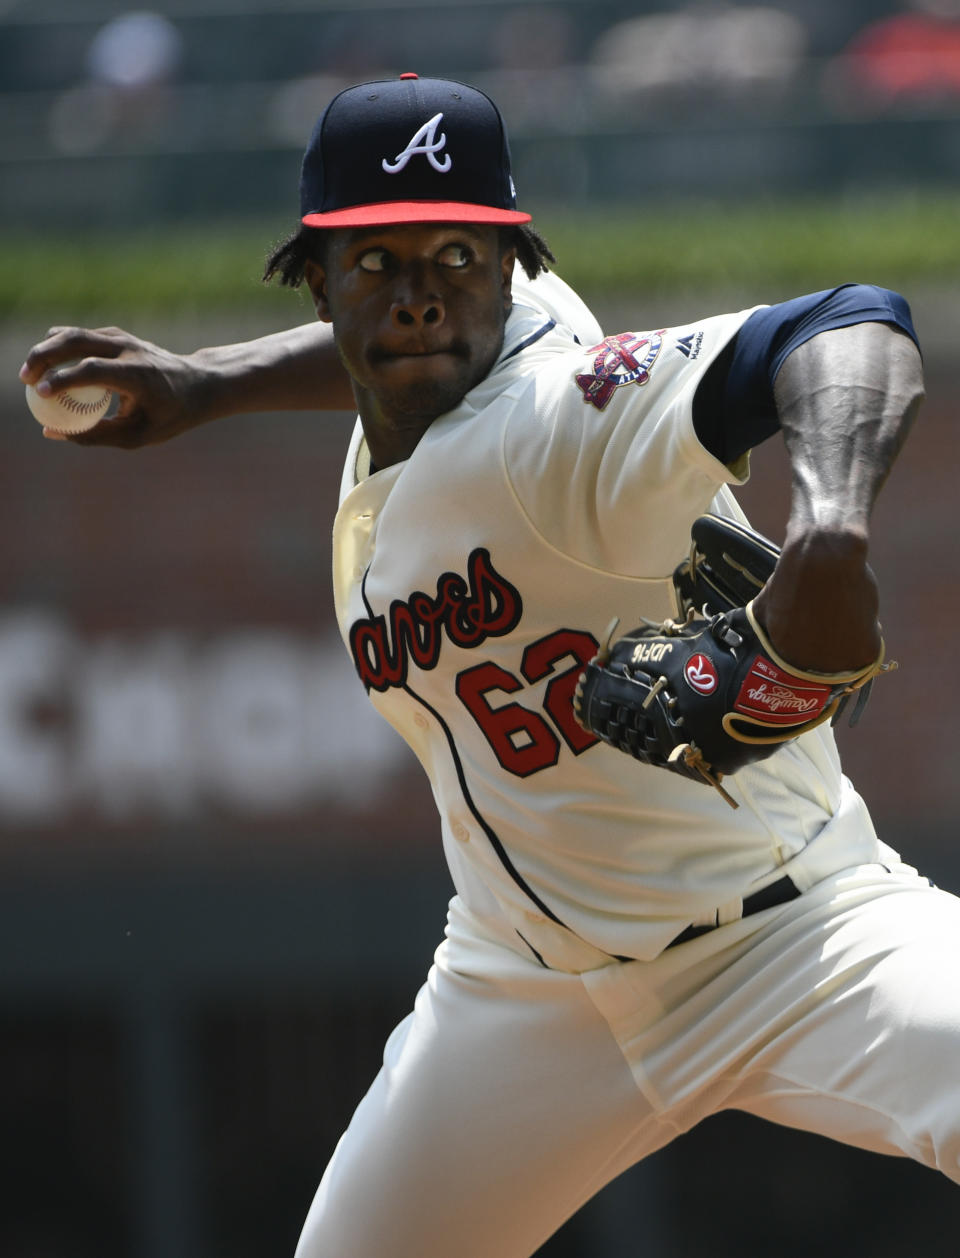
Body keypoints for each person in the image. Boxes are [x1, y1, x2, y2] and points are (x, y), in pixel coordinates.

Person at [21, 73, 958, 1258]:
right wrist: (217, 383)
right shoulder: (455, 352)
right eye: (376, 262)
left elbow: (848, 324)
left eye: (458, 257)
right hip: (521, 988)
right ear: (313, 272)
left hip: (798, 939)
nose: (420, 299)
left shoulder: (556, 419)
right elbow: (386, 356)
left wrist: (829, 530)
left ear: (514, 264)